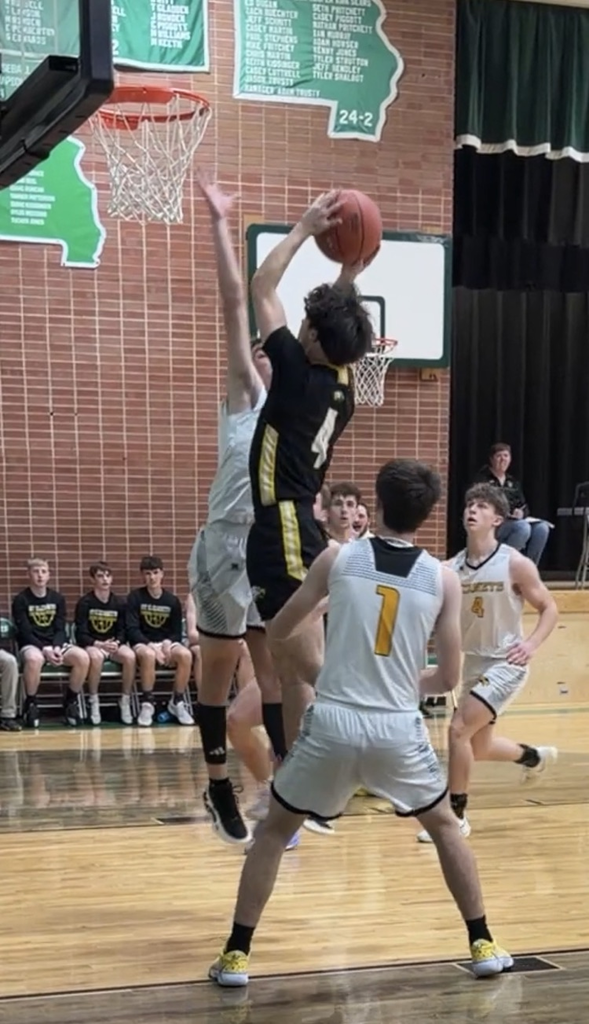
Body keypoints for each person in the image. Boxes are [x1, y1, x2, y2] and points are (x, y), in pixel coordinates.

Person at [208, 459, 513, 987]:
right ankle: (482, 943)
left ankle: (236, 956)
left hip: (333, 723)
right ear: (429, 513)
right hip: (397, 727)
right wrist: (398, 684)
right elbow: (448, 678)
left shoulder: (338, 558)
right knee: (445, 828)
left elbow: (280, 631)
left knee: (274, 831)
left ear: (376, 504)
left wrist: (326, 635)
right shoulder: (444, 578)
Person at [247, 190, 374, 750]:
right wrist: (347, 276)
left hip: (285, 528)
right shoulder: (342, 382)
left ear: (316, 338)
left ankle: (381, 731)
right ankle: (300, 775)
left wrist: (302, 229)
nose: (300, 325)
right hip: (297, 524)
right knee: (295, 672)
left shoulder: (295, 375)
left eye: (308, 323)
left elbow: (262, 287)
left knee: (306, 667)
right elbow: (329, 327)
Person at [187, 172, 278, 846]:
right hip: (223, 545)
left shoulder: (298, 413)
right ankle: (218, 782)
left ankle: (288, 780)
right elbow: (234, 306)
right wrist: (221, 224)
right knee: (217, 674)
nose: (260, 356)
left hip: (268, 548)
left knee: (276, 674)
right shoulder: (246, 398)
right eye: (257, 352)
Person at [417, 483, 558, 843]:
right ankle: (533, 757)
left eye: (481, 506)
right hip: (475, 663)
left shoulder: (514, 563)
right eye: (469, 504)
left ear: (498, 519)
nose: (472, 510)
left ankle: (455, 816)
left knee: (457, 730)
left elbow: (549, 608)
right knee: (477, 747)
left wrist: (530, 644)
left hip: (506, 662)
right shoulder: (451, 568)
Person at [12, 557, 90, 728]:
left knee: (83, 657)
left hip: (55, 644)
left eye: (43, 571)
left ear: (49, 575)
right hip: (32, 644)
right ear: (28, 574)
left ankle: (70, 701)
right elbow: (25, 631)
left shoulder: (57, 598)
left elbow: (60, 628)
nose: (40, 575)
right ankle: (31, 703)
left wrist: (56, 647)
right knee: (34, 659)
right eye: (36, 571)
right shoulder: (21, 600)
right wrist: (44, 649)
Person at [126, 556, 193, 727]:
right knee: (148, 655)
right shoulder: (135, 597)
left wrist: (167, 644)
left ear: (162, 574)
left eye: (155, 573)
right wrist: (152, 646)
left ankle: (177, 701)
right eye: (148, 573)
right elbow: (132, 630)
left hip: (165, 643)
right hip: (143, 643)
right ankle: (147, 703)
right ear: (142, 575)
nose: (152, 577)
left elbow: (176, 632)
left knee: (185, 655)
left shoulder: (172, 600)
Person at [75, 561, 136, 725]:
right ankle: (93, 700)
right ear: (92, 579)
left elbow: (123, 630)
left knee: (130, 656)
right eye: (100, 576)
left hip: (113, 644)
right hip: (94, 644)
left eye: (108, 576)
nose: (105, 579)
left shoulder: (120, 603)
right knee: (96, 657)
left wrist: (118, 642)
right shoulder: (85, 602)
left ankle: (125, 700)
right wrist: (98, 644)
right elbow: (80, 634)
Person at [473, 443, 550, 565]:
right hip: (493, 525)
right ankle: (504, 567)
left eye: (506, 456)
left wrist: (521, 513)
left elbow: (524, 505)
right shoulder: (482, 479)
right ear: (491, 459)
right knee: (522, 527)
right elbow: (479, 504)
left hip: (513, 521)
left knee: (542, 528)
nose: (503, 459)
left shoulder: (512, 482)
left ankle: (528, 569)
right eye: (499, 456)